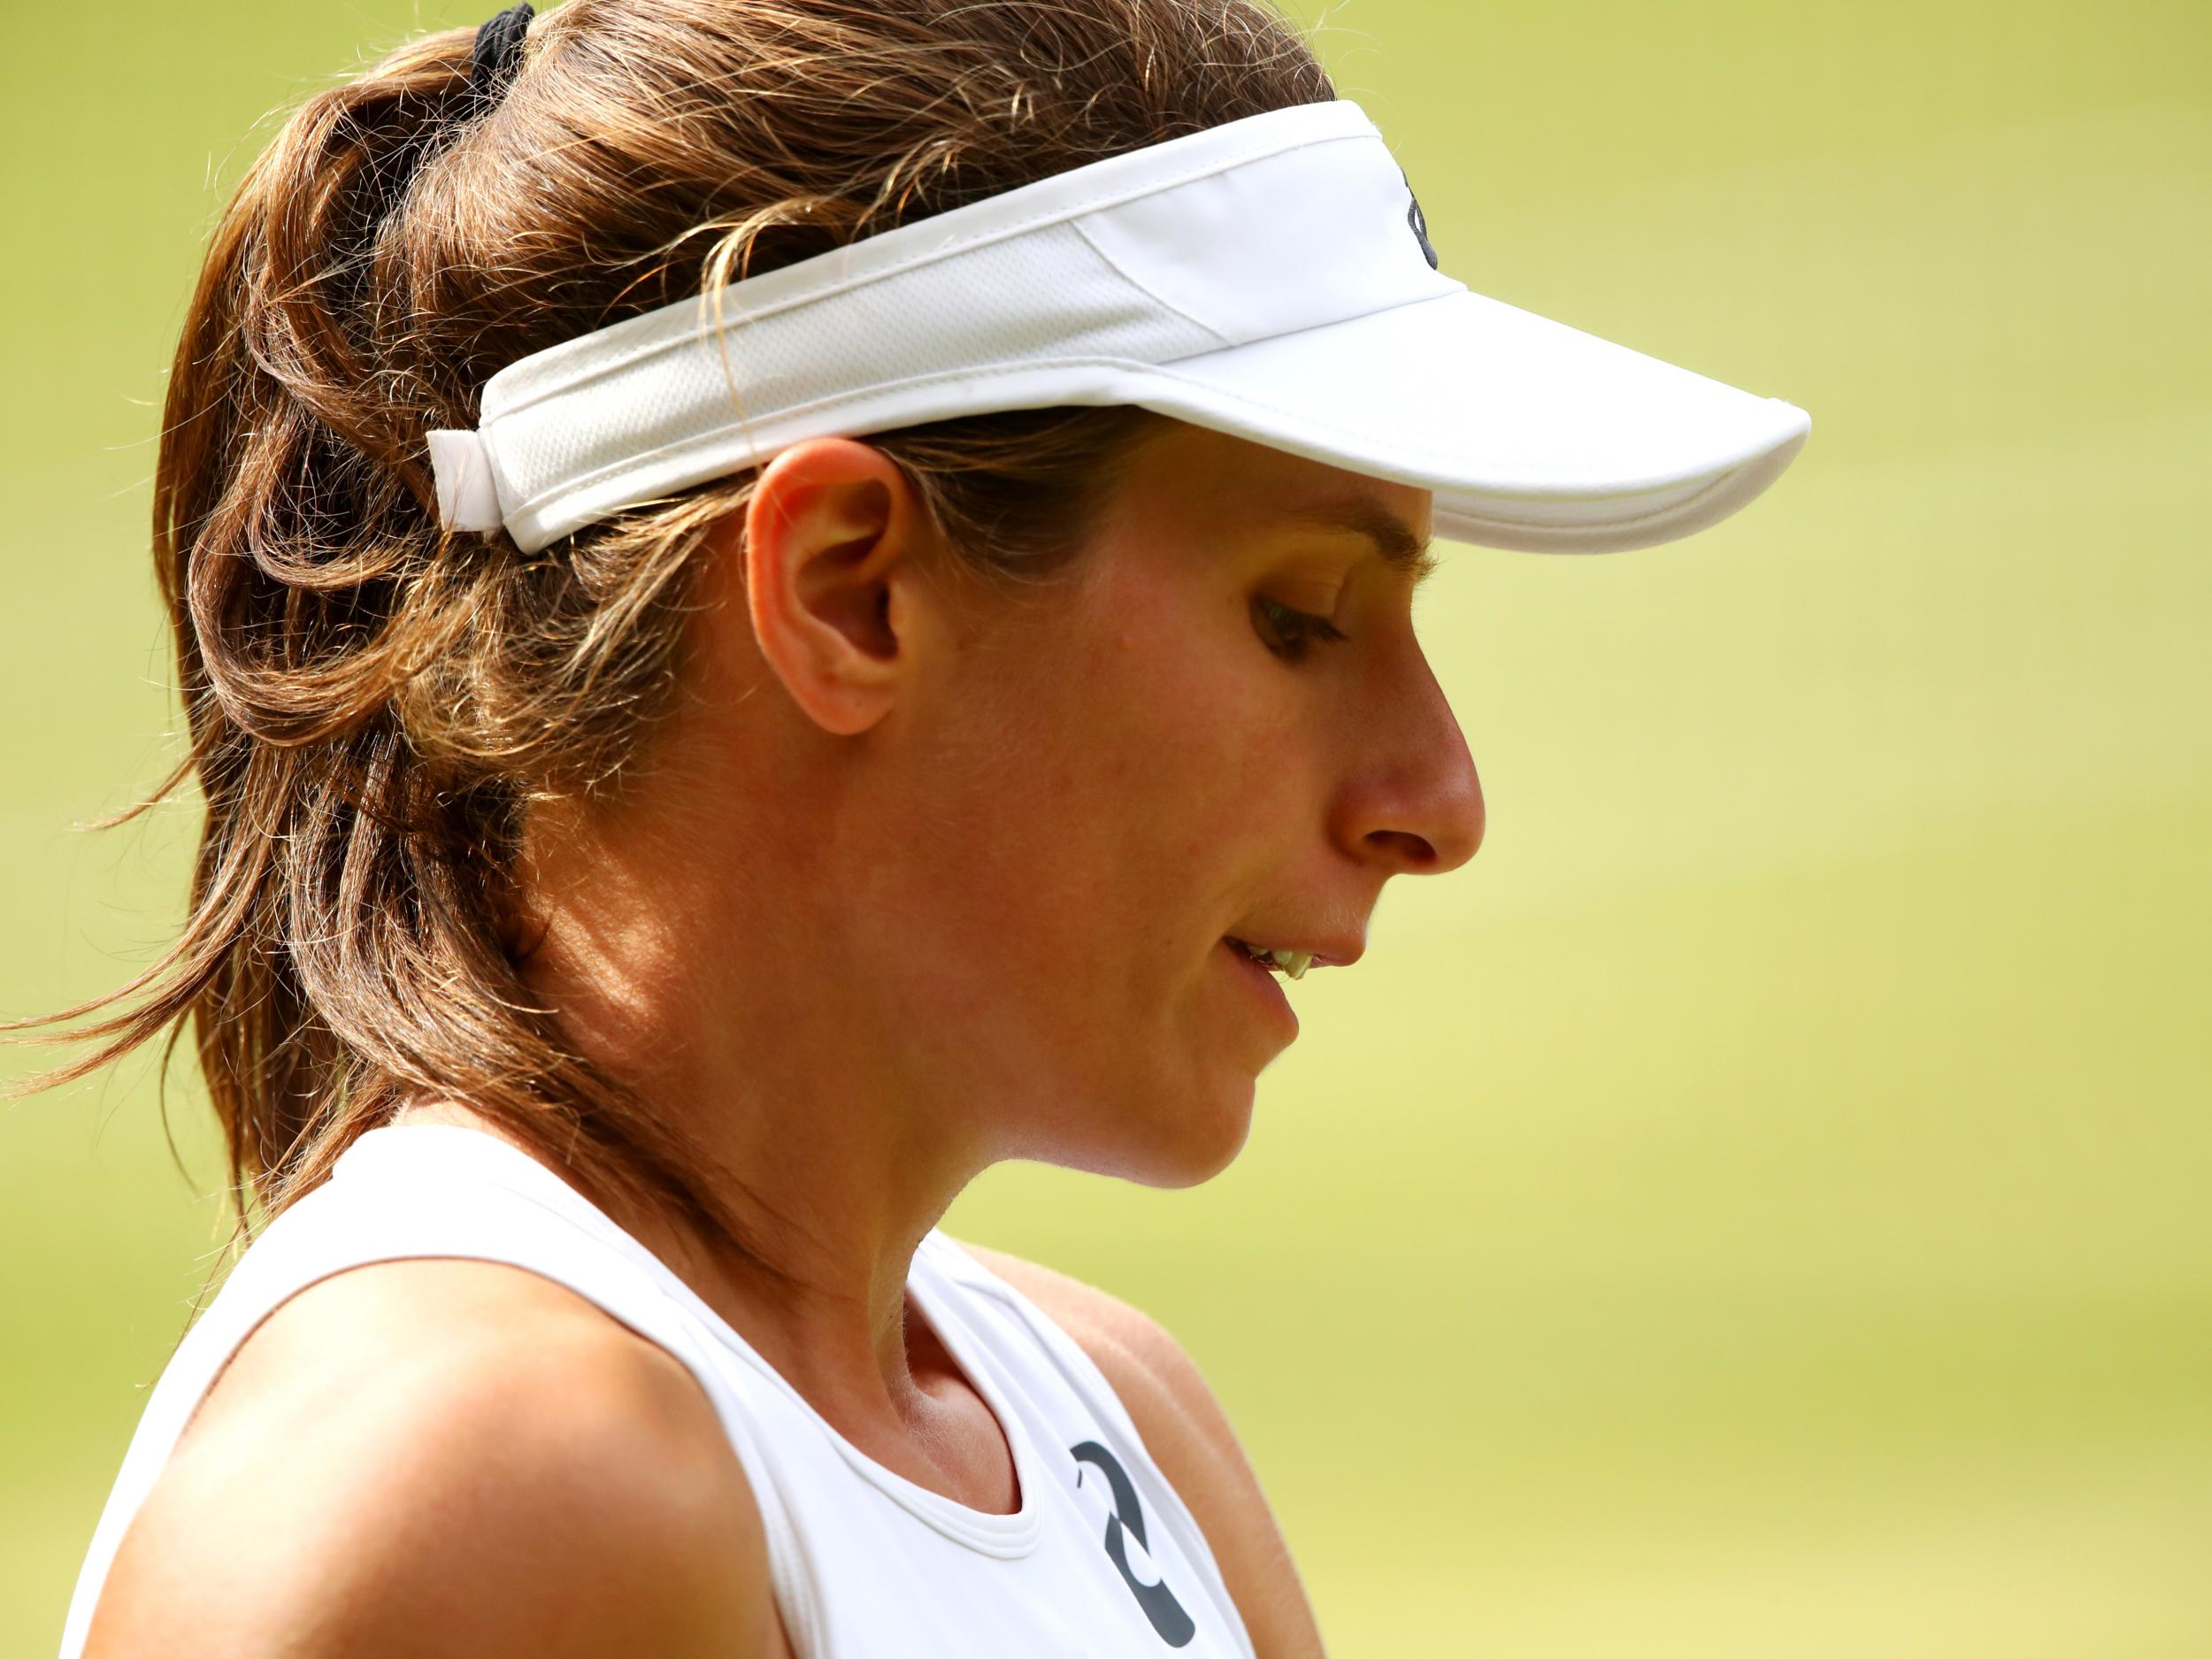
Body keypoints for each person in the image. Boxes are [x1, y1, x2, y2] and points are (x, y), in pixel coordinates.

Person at [39, 0, 1809, 1653]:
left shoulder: (1113, 1415)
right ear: (849, 588)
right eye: (1297, 614)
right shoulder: (496, 1477)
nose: (1437, 801)